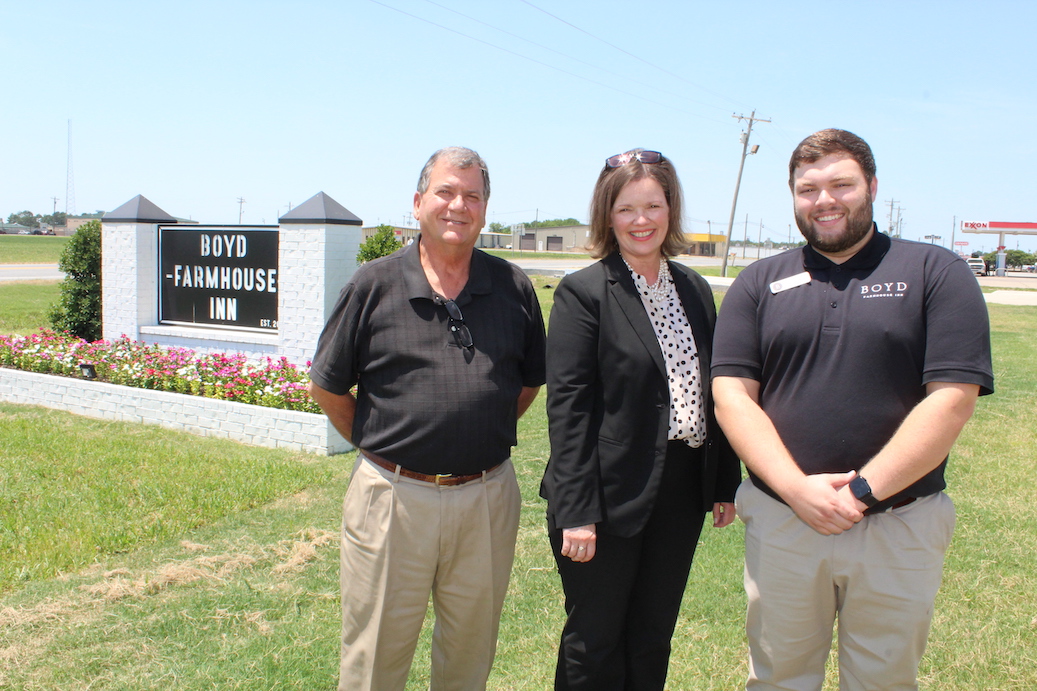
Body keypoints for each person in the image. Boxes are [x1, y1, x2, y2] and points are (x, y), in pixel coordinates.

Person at [711, 129, 994, 691]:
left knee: (883, 680)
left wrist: (864, 492)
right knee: (778, 677)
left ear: (871, 186)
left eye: (841, 183)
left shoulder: (935, 272)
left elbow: (952, 399)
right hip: (784, 521)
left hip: (900, 522)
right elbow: (731, 396)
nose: (824, 200)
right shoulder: (758, 283)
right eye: (807, 188)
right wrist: (796, 490)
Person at [308, 146, 547, 691]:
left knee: (468, 660)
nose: (457, 205)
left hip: (486, 500)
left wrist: (470, 433)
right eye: (445, 191)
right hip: (392, 501)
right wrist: (382, 447)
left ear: (485, 211)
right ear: (418, 203)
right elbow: (327, 386)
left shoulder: (514, 288)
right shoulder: (373, 285)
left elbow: (527, 384)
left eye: (472, 195)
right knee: (374, 664)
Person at [540, 149, 740, 690]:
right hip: (605, 493)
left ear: (671, 211)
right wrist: (578, 511)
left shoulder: (694, 290)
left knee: (653, 635)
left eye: (653, 205)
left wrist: (723, 483)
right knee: (595, 639)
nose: (641, 220)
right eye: (627, 208)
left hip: (680, 490)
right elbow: (569, 407)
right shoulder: (584, 293)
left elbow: (714, 391)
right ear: (608, 216)